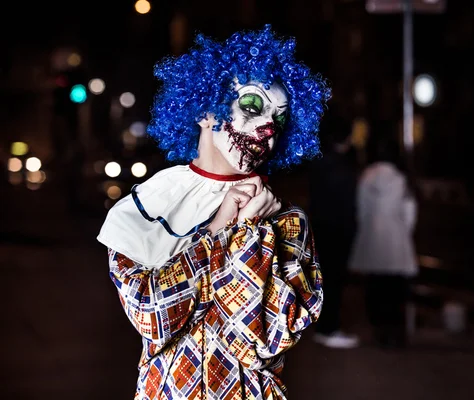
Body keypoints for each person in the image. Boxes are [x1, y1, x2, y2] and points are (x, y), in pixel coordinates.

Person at [97, 25, 330, 399]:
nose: (268, 128)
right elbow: (154, 318)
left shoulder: (286, 221)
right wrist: (219, 230)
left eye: (279, 119)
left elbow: (263, 342)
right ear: (205, 110)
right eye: (252, 105)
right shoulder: (145, 207)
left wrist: (250, 231)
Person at [348, 131, 418, 348]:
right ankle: (395, 333)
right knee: (396, 290)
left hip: (372, 237)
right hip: (396, 238)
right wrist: (404, 231)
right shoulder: (401, 178)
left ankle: (380, 330)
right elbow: (409, 210)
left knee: (375, 287)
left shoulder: (366, 176)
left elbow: (360, 210)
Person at [308, 111, 360, 349]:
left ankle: (325, 326)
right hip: (338, 229)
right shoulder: (344, 166)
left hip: (321, 226)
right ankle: (329, 328)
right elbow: (349, 202)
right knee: (334, 280)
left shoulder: (320, 161)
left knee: (325, 279)